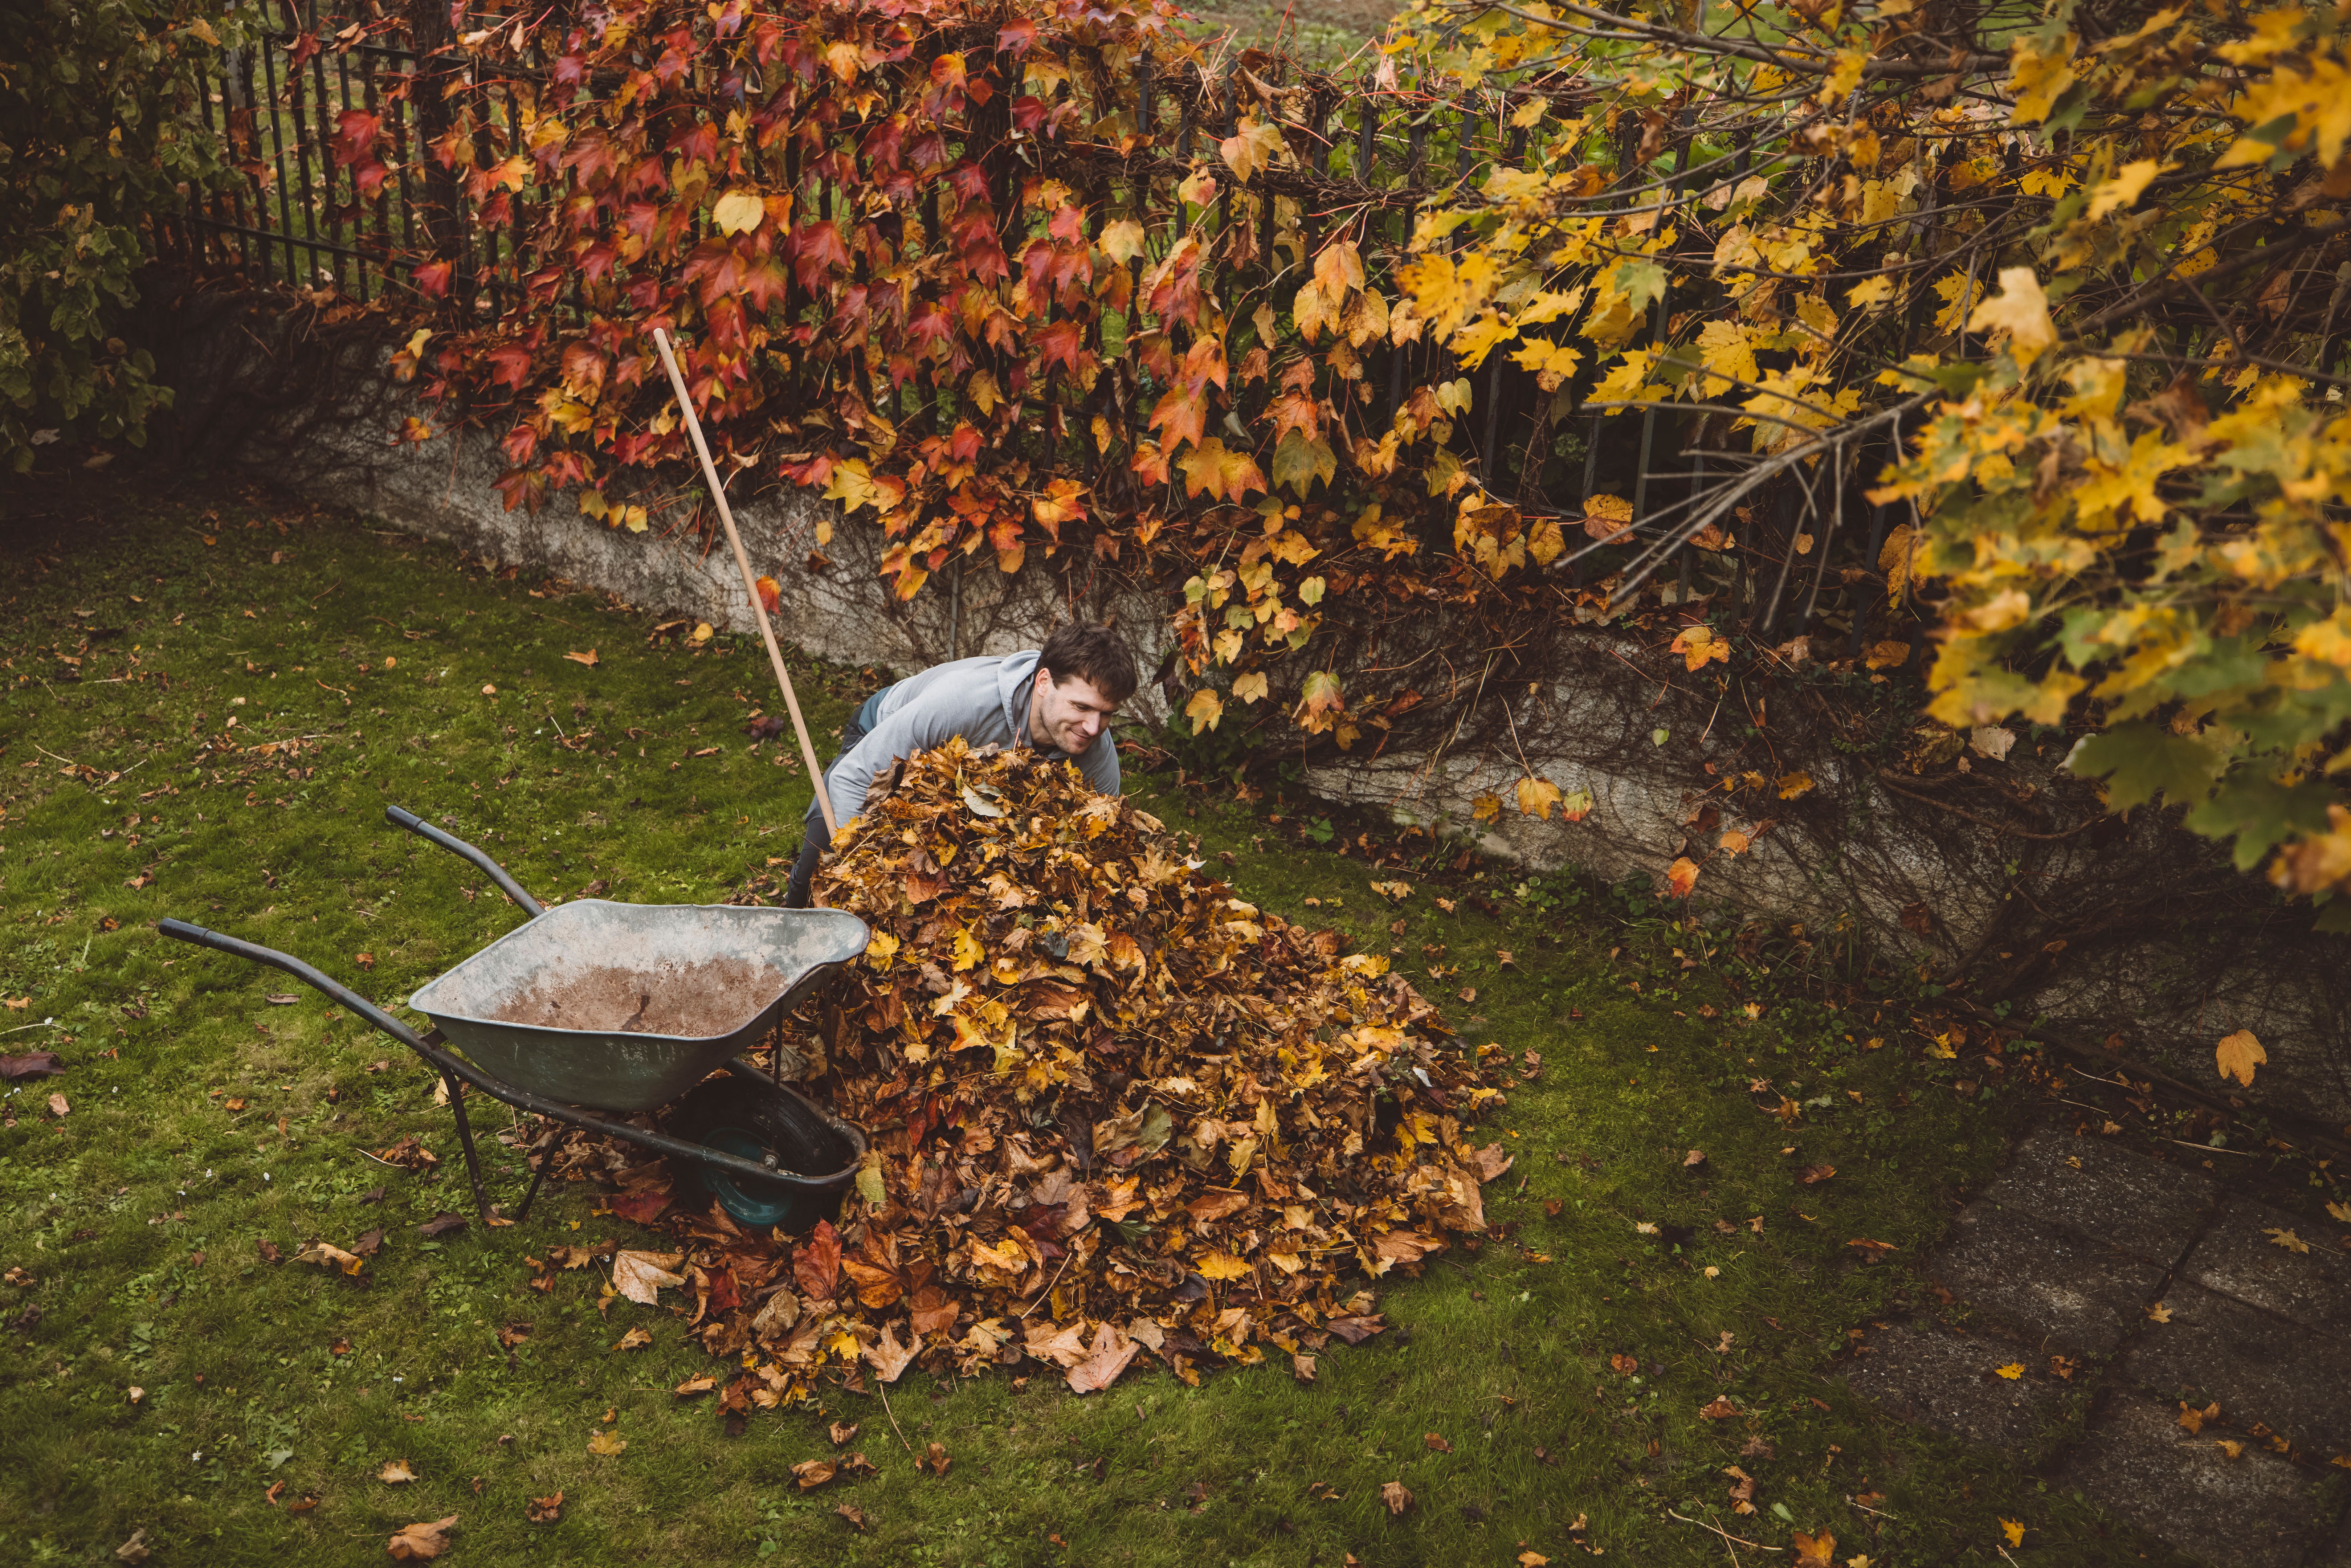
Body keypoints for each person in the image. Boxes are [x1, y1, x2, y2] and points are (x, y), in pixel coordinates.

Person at [783, 622, 1138, 908]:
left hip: (962, 778)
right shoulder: (962, 704)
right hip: (886, 729)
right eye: (1081, 707)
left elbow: (1100, 837)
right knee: (822, 854)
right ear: (1044, 682)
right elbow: (851, 778)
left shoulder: (1095, 754)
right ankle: (790, 914)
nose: (1093, 728)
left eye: (1106, 714)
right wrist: (859, 869)